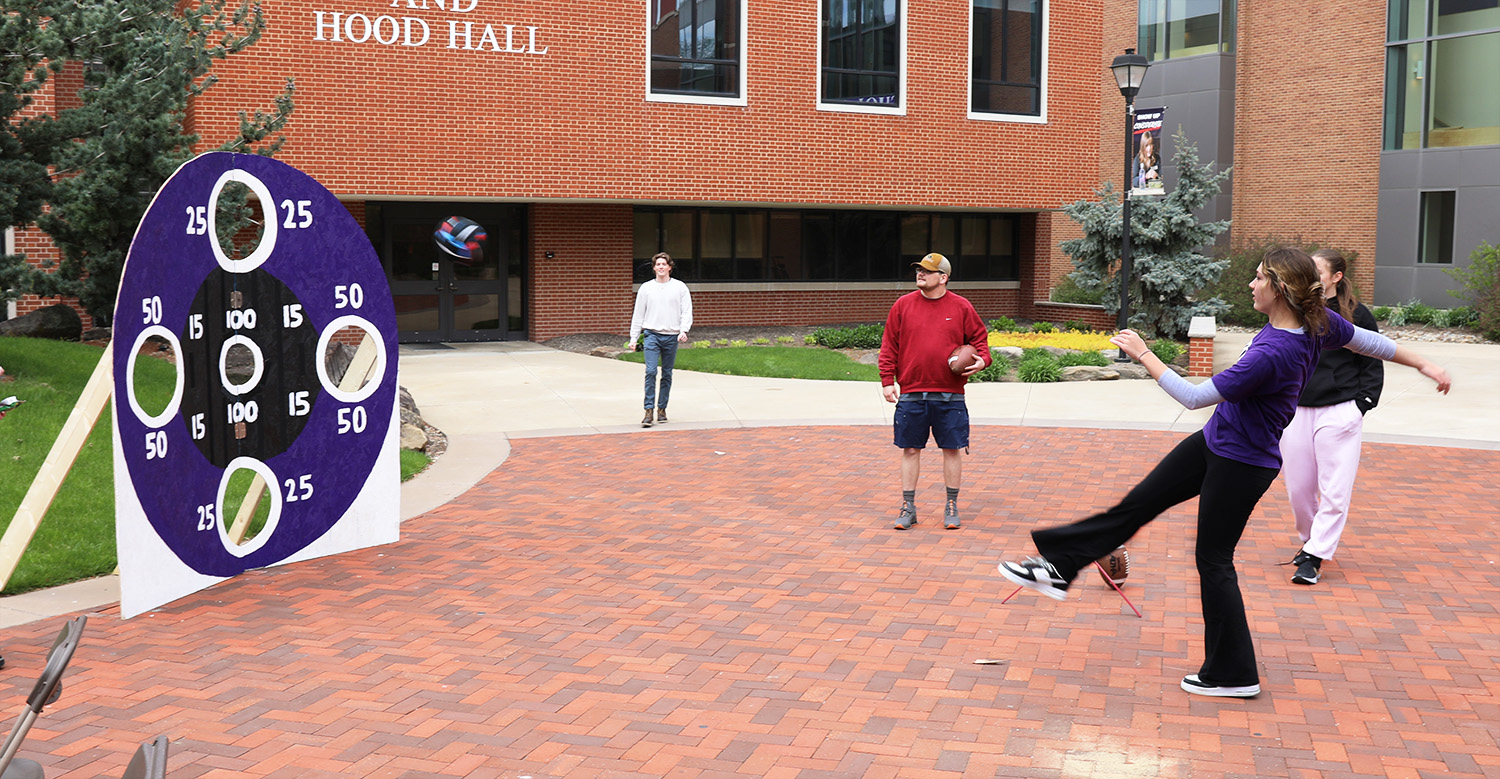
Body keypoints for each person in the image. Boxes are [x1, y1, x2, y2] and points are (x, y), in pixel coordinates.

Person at [998, 246, 1451, 698]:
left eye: (1258, 278)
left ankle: (1234, 674)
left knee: (1213, 561)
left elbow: (1194, 396)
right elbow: (1373, 343)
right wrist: (1424, 363)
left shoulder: (1275, 351)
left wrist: (1143, 354)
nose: (1250, 285)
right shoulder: (1315, 323)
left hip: (1243, 462)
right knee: (1138, 505)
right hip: (1217, 441)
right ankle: (1060, 565)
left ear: (1279, 289)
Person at [1279, 249, 1383, 585]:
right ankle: (1310, 541)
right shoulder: (1295, 311)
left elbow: (1373, 360)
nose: (1311, 275)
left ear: (1337, 277)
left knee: (1335, 490)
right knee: (1299, 490)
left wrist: (1362, 404)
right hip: (1296, 411)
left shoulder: (1357, 314)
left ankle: (1314, 556)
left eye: (1318, 270)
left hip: (1340, 411)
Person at [879, 252, 990, 531]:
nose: (921, 274)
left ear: (943, 277)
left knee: (952, 450)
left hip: (950, 395)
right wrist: (886, 380)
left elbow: (981, 343)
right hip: (911, 392)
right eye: (919, 270)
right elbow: (889, 346)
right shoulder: (902, 306)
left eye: (928, 271)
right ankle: (908, 507)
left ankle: (951, 505)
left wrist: (982, 361)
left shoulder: (962, 307)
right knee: (910, 450)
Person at [628, 252, 693, 427]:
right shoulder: (646, 288)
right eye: (658, 265)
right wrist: (634, 337)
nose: (661, 267)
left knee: (667, 374)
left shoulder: (680, 288)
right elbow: (638, 314)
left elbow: (687, 311)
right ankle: (648, 411)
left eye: (664, 264)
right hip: (652, 335)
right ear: (654, 268)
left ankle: (662, 408)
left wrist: (683, 330)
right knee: (650, 371)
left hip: (671, 336)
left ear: (670, 267)